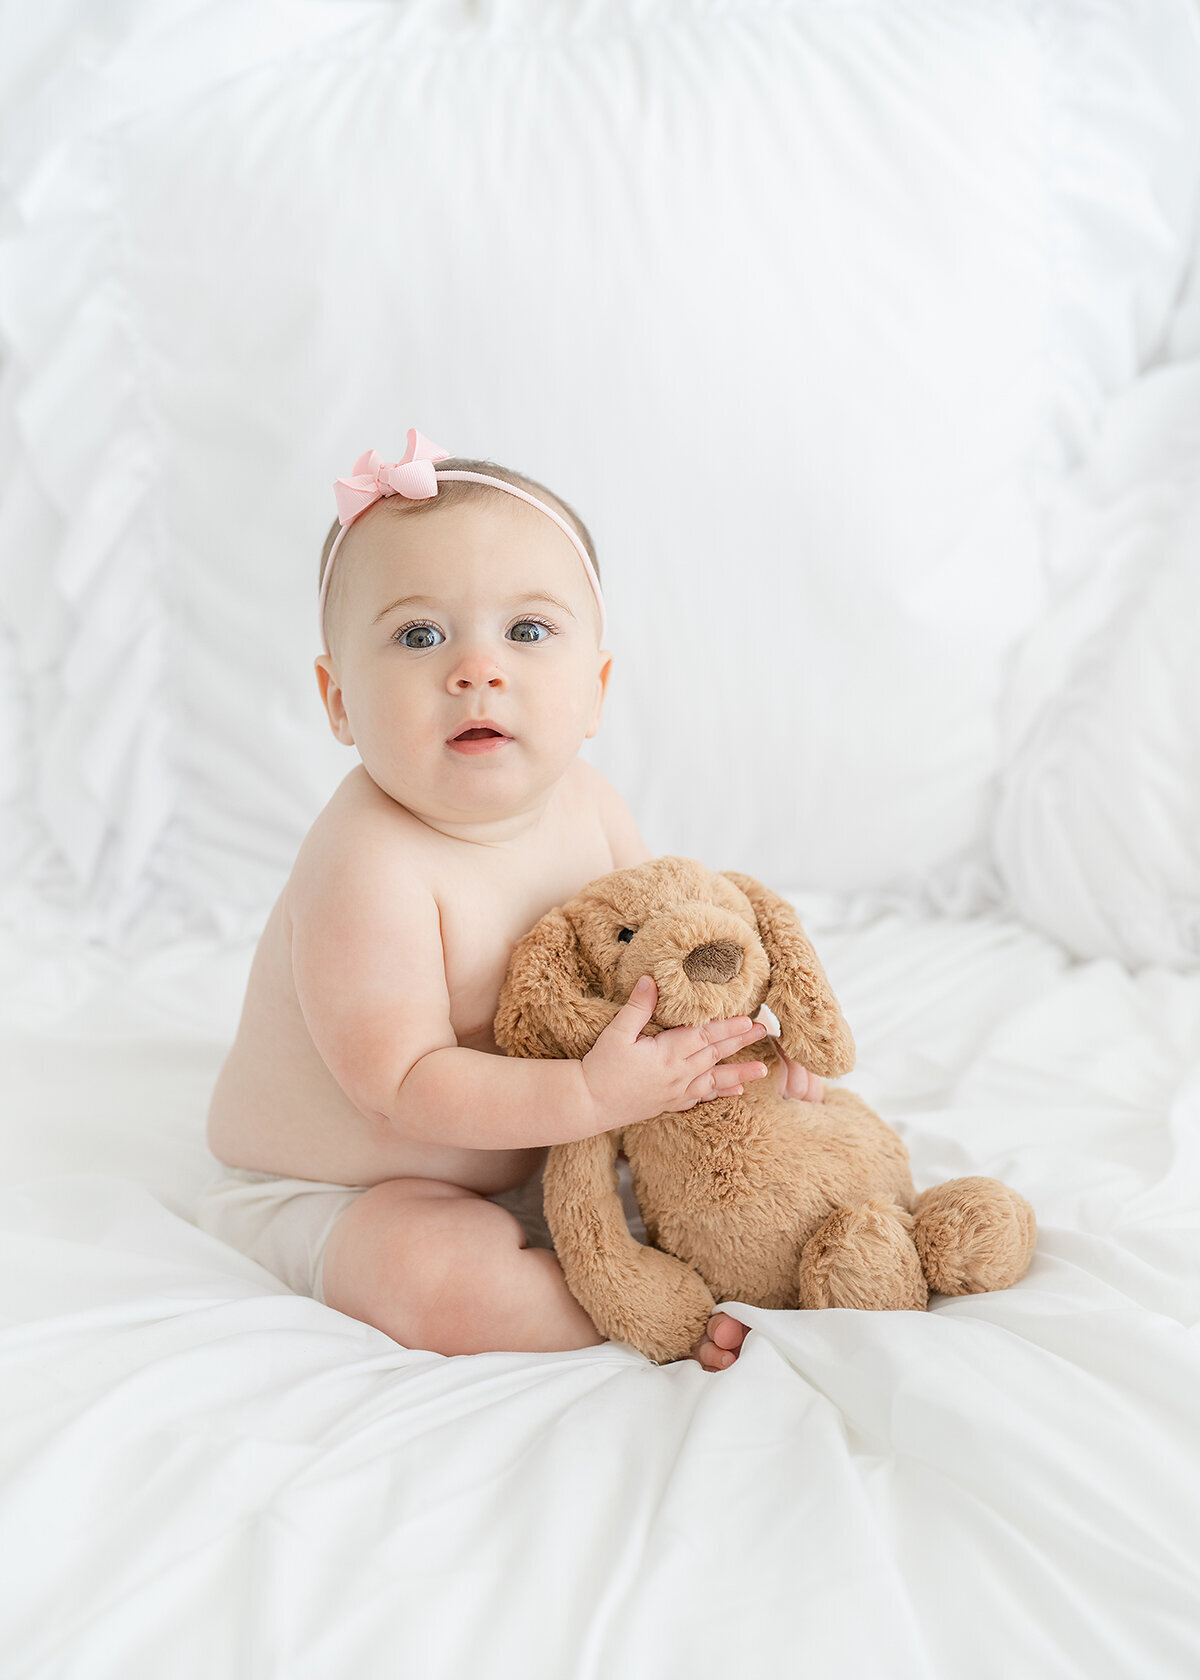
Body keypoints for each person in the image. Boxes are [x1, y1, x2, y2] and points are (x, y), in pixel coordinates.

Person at [195, 429, 824, 1371]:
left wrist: (733, 1044)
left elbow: (653, 967)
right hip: (353, 1183)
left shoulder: (592, 806)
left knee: (755, 1150)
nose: (476, 669)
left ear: (595, 690)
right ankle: (642, 1307)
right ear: (338, 703)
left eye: (527, 632)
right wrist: (584, 1094)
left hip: (554, 1146)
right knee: (438, 1280)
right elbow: (401, 1088)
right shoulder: (365, 866)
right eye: (418, 635)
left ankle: (704, 1247)